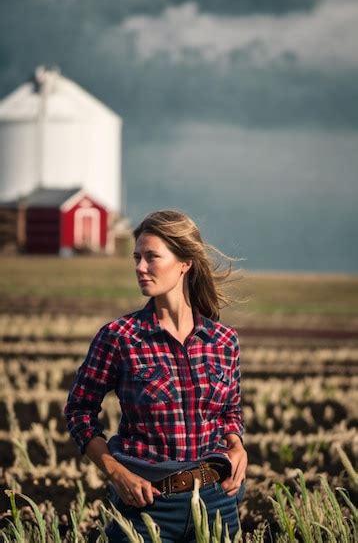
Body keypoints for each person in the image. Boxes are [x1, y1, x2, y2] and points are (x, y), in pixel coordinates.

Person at [64, 210, 247, 542]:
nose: (140, 267)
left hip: (218, 499)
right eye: (136, 257)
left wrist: (237, 447)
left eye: (151, 257)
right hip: (146, 506)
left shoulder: (224, 340)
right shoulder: (120, 337)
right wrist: (116, 473)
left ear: (184, 262)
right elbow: (79, 411)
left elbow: (230, 412)